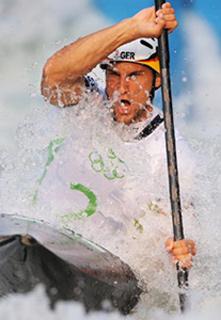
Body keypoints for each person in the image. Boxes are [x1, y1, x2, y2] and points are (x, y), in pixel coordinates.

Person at [41, 2, 196, 270]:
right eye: (114, 75)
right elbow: (53, 76)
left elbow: (181, 237)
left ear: (157, 80)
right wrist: (132, 28)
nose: (121, 88)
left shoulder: (170, 154)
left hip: (101, 265)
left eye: (135, 75)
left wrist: (182, 249)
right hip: (43, 236)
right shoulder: (90, 102)